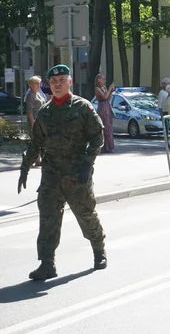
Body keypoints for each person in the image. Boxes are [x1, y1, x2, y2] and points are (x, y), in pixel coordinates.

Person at [18, 64, 107, 281]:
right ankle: (47, 263)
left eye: (61, 81)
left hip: (77, 174)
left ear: (70, 82)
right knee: (47, 218)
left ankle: (99, 250)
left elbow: (98, 137)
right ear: (49, 85)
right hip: (51, 175)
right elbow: (36, 143)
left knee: (86, 214)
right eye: (53, 82)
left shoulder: (82, 107)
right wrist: (25, 167)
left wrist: (88, 163)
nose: (57, 85)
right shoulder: (45, 112)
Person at [95, 73, 115, 153]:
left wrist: (111, 91)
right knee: (105, 126)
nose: (104, 81)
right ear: (98, 80)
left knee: (109, 126)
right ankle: (104, 146)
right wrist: (109, 89)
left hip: (107, 107)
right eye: (103, 79)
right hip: (102, 108)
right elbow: (104, 97)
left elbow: (108, 97)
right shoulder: (97, 89)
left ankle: (109, 145)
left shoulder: (104, 87)